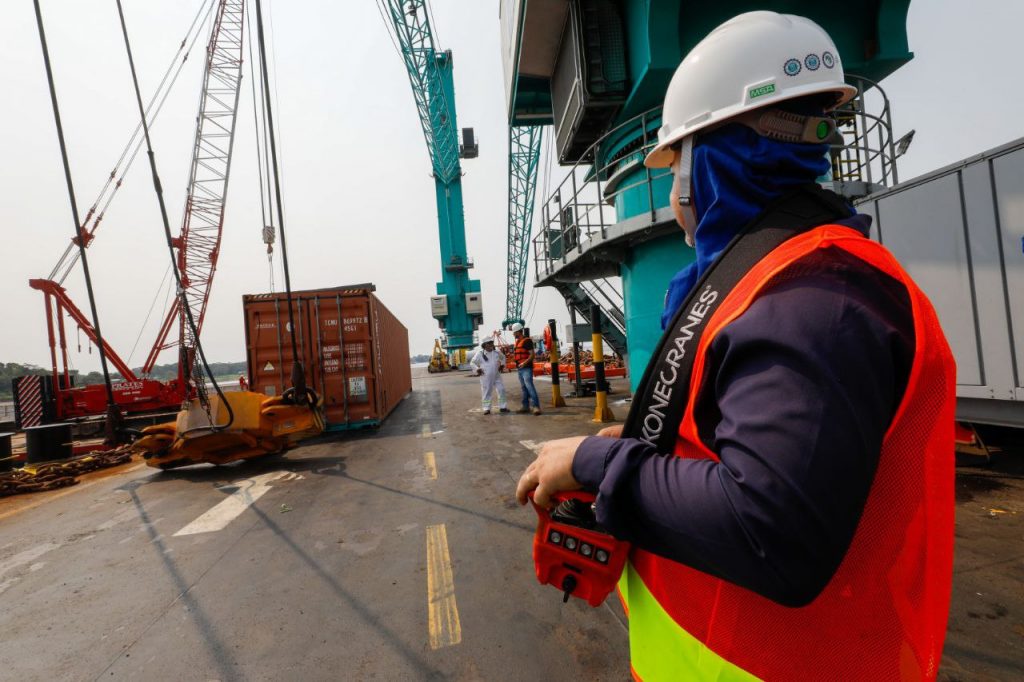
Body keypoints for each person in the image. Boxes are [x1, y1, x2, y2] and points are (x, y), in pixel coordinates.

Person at [515, 11, 955, 681]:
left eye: (675, 164)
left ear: (709, 163)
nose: (672, 191)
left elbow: (771, 530)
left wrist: (600, 464)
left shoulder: (813, 301)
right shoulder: (776, 285)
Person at [470, 338, 509, 415]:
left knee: (501, 390)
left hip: (497, 376)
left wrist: (502, 365)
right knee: (486, 392)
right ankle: (486, 408)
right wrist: (477, 369)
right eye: (489, 343)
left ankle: (503, 407)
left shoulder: (497, 352)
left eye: (491, 343)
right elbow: (472, 363)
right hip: (486, 377)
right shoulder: (480, 354)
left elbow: (503, 357)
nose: (491, 345)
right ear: (484, 345)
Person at [510, 323, 541, 415]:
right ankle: (525, 406)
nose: (513, 334)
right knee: (524, 388)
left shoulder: (527, 341)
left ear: (518, 332)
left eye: (514, 332)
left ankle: (536, 406)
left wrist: (524, 363)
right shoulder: (517, 342)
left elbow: (532, 355)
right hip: (520, 368)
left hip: (526, 368)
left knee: (529, 386)